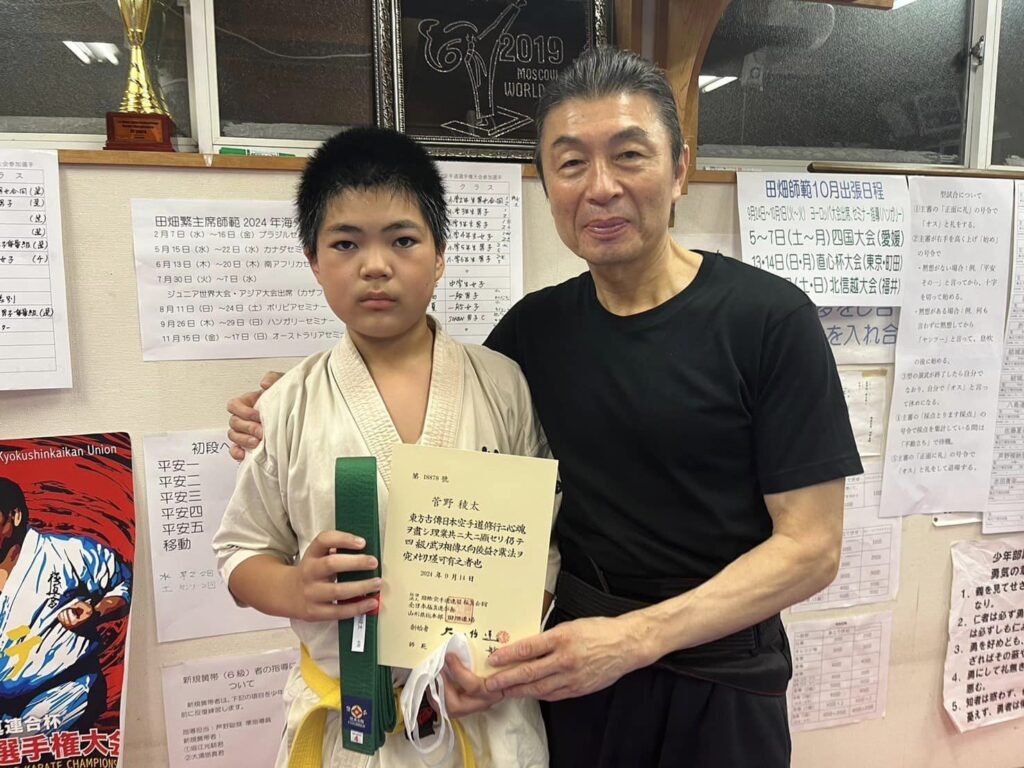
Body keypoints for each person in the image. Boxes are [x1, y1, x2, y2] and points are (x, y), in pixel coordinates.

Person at [228, 48, 861, 767]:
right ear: (548, 184)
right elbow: (424, 396)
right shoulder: (534, 333)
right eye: (571, 163)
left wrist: (636, 639)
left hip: (718, 680)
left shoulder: (768, 320)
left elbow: (812, 550)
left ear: (681, 169)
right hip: (565, 676)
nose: (601, 187)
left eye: (629, 155)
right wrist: (290, 400)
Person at [212, 126, 558, 768]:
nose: (375, 265)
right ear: (314, 261)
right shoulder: (287, 404)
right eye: (346, 243)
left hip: (484, 709)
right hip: (351, 724)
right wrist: (295, 589)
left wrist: (501, 649)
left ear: (440, 254)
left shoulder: (502, 384)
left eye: (403, 240)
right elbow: (240, 552)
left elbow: (541, 542)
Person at [0, 477, 131, 734]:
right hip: (5, 701)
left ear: (14, 516)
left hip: (64, 689)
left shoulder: (69, 554)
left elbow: (125, 583)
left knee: (24, 745)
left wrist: (97, 611)